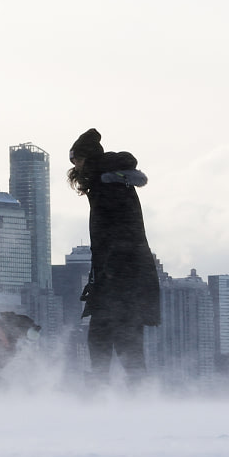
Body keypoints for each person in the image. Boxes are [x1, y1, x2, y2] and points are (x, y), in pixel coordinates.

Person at [69, 128, 160, 384]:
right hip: (120, 277)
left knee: (117, 338)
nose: (74, 166)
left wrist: (109, 273)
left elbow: (120, 235)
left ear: (87, 159)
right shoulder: (111, 183)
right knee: (114, 338)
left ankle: (119, 397)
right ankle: (124, 395)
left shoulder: (108, 187)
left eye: (76, 159)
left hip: (122, 279)